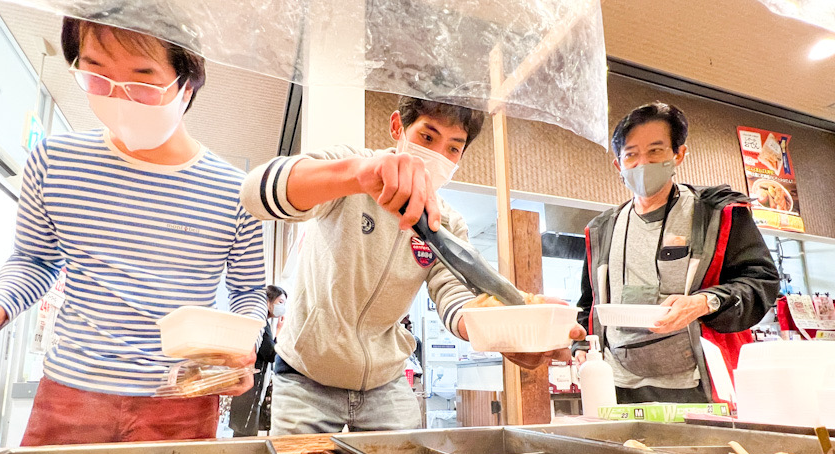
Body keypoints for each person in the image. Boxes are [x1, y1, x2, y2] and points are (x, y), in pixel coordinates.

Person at [0, 18, 266, 445]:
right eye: (97, 77)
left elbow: (248, 291)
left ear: (186, 86)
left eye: (142, 80)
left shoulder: (238, 190)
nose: (118, 97)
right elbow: (36, 260)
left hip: (180, 398)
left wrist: (239, 348)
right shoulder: (55, 161)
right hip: (70, 393)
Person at [241, 96, 585, 434]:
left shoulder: (446, 223)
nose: (437, 155)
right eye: (427, 136)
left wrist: (506, 329)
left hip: (385, 384)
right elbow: (256, 192)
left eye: (453, 148)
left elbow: (454, 299)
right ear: (397, 127)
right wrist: (359, 175)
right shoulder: (354, 167)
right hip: (306, 377)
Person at [573, 102, 780, 404]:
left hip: (697, 383)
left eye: (655, 151)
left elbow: (760, 282)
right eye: (631, 155)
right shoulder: (601, 229)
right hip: (620, 385)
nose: (642, 163)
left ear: (678, 154)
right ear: (619, 165)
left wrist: (704, 302)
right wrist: (580, 348)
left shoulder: (716, 214)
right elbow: (589, 303)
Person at [229, 285, 286, 436]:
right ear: (268, 301)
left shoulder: (264, 325)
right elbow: (271, 354)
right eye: (280, 302)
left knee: (243, 434)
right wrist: (280, 331)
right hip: (249, 391)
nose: (283, 307)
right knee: (245, 437)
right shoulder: (260, 324)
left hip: (248, 391)